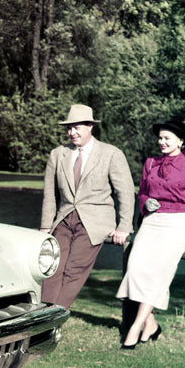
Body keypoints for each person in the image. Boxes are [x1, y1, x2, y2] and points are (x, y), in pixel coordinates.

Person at [116, 120, 185, 349]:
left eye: (167, 138)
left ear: (181, 141)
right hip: (152, 222)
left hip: (177, 224)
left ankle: (134, 329)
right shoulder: (150, 163)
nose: (162, 142)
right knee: (136, 268)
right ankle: (151, 325)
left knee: (159, 275)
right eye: (160, 138)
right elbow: (141, 192)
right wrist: (145, 203)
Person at [39, 104, 135, 309]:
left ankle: (54, 315)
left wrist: (124, 226)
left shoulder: (111, 154)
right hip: (63, 219)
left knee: (74, 269)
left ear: (90, 126)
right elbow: (50, 194)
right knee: (51, 267)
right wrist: (46, 226)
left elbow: (125, 192)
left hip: (94, 222)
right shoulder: (58, 154)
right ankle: (43, 314)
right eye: (69, 128)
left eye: (76, 127)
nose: (71, 132)